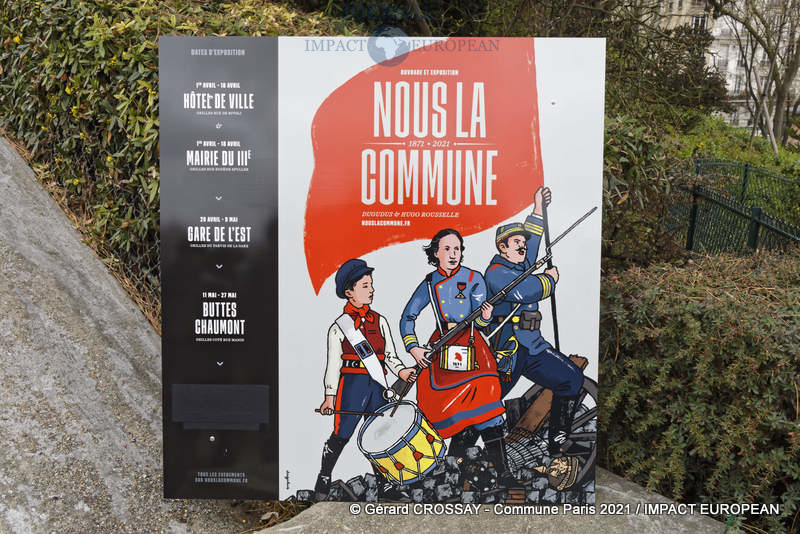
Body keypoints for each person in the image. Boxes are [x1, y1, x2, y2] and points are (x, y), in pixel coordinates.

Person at [399, 229, 515, 482]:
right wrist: (414, 348)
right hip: (441, 349)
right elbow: (408, 318)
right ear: (436, 253)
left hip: (472, 347)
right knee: (445, 409)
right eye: (447, 249)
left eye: (457, 249)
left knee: (488, 401)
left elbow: (481, 324)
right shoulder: (429, 283)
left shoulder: (474, 278)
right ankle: (450, 472)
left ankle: (503, 472)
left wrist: (485, 318)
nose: (453, 254)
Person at [484, 186, 584, 457]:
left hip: (533, 348)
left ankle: (557, 443)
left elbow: (534, 240)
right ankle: (459, 453)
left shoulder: (519, 263)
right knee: (484, 404)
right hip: (507, 353)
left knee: (571, 378)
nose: (523, 245)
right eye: (516, 242)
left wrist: (538, 209)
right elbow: (524, 290)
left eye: (523, 242)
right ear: (502, 247)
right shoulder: (496, 272)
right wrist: (548, 279)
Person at [314, 258, 416, 497]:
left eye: (371, 284)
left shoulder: (380, 321)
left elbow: (390, 356)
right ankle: (324, 475)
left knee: (379, 434)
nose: (372, 290)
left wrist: (401, 371)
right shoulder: (339, 327)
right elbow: (333, 365)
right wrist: (329, 397)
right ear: (349, 292)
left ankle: (384, 484)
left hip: (377, 385)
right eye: (365, 286)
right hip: (352, 385)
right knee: (342, 434)